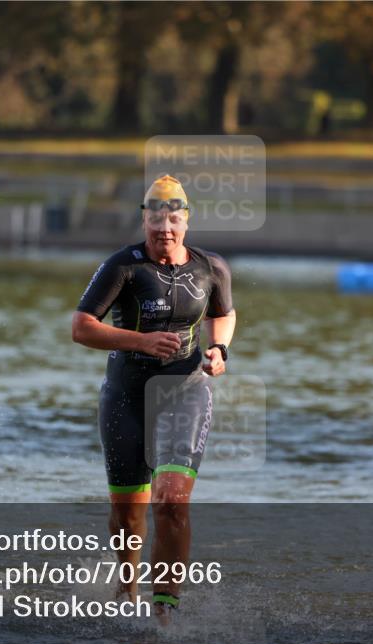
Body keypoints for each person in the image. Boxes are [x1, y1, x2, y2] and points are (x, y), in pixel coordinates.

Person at [71, 174, 236, 620]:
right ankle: (127, 593)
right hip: (126, 396)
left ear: (186, 223)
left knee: (172, 501)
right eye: (156, 221)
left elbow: (224, 314)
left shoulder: (211, 267)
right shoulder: (122, 267)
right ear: (144, 221)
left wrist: (219, 350)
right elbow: (81, 326)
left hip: (185, 393)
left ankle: (164, 612)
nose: (165, 229)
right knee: (128, 516)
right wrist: (140, 342)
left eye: (174, 221)